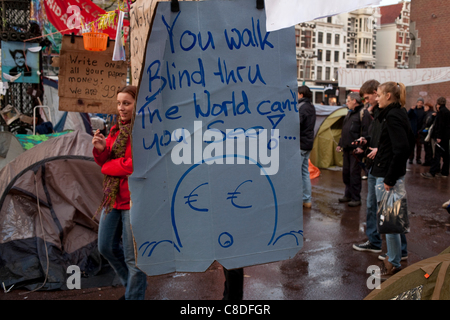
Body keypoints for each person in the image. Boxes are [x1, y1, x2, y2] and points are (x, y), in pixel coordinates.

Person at [92, 85, 148, 300]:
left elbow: (134, 164)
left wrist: (107, 166)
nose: (121, 108)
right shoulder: (116, 130)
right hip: (113, 198)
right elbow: (107, 160)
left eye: (127, 103)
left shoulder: (142, 130)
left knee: (133, 258)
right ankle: (131, 289)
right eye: (119, 103)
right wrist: (100, 150)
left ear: (137, 104)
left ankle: (134, 296)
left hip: (133, 201)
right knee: (105, 246)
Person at [371, 81, 414, 280]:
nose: (376, 98)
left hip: (388, 176)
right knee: (392, 222)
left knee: (389, 222)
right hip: (388, 173)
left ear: (388, 96)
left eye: (379, 95)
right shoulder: (398, 113)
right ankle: (394, 258)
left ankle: (394, 263)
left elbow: (403, 148)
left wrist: (389, 178)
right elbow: (407, 142)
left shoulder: (393, 116)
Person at [336, 92, 372, 207]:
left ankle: (356, 198)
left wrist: (361, 147)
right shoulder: (349, 113)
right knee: (346, 173)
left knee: (354, 174)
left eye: (348, 100)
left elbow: (366, 132)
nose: (346, 103)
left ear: (354, 101)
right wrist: (340, 144)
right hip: (346, 149)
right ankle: (348, 194)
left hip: (356, 151)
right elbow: (345, 130)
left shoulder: (363, 114)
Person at [421, 97, 450, 179]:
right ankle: (445, 172)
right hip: (446, 137)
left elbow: (441, 125)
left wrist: (439, 137)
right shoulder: (447, 111)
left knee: (437, 155)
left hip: (441, 138)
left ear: (438, 104)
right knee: (446, 155)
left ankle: (432, 172)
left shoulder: (441, 112)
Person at [298, 85, 316, 208]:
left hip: (300, 143)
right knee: (305, 172)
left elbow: (296, 124)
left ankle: (294, 199)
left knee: (295, 172)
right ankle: (307, 200)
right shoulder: (311, 107)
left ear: (301, 95)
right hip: (308, 143)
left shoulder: (301, 107)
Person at [407, 98, 426, 164]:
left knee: (419, 146)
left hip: (420, 131)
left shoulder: (424, 111)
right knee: (411, 145)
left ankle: (418, 158)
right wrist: (411, 109)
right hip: (413, 130)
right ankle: (411, 158)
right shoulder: (413, 110)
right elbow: (407, 115)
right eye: (419, 102)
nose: (420, 104)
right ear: (417, 103)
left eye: (421, 102)